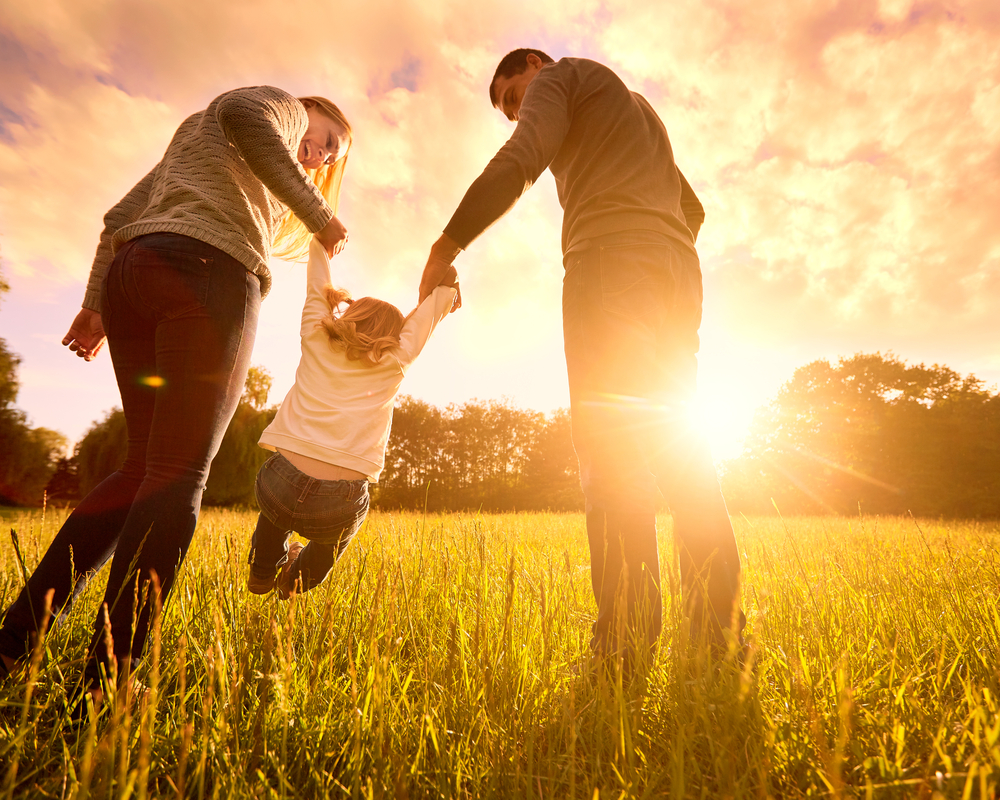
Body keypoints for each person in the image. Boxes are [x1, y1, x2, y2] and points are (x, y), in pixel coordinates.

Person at [0, 86, 353, 707]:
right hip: (209, 272)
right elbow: (248, 115)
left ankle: (14, 640)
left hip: (134, 275)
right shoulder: (275, 106)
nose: (320, 156)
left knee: (140, 468)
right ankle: (110, 678)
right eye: (325, 139)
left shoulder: (201, 145)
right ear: (306, 110)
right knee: (179, 474)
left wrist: (93, 306)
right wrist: (318, 212)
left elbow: (117, 220)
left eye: (330, 158)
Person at [418, 50, 745, 668]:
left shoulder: (562, 78)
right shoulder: (636, 108)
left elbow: (522, 159)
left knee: (612, 452)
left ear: (536, 65)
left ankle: (623, 645)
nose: (519, 113)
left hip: (609, 266)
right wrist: (654, 244)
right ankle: (718, 638)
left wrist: (447, 243)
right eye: (510, 108)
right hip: (677, 274)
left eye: (517, 97)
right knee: (684, 455)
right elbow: (692, 208)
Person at [245, 239, 458, 598]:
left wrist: (320, 243)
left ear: (349, 315)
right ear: (395, 336)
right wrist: (446, 289)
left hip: (280, 480)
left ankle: (263, 570)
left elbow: (317, 285)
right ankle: (296, 582)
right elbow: (431, 310)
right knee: (332, 541)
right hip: (338, 500)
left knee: (275, 513)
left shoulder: (316, 335)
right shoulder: (396, 359)